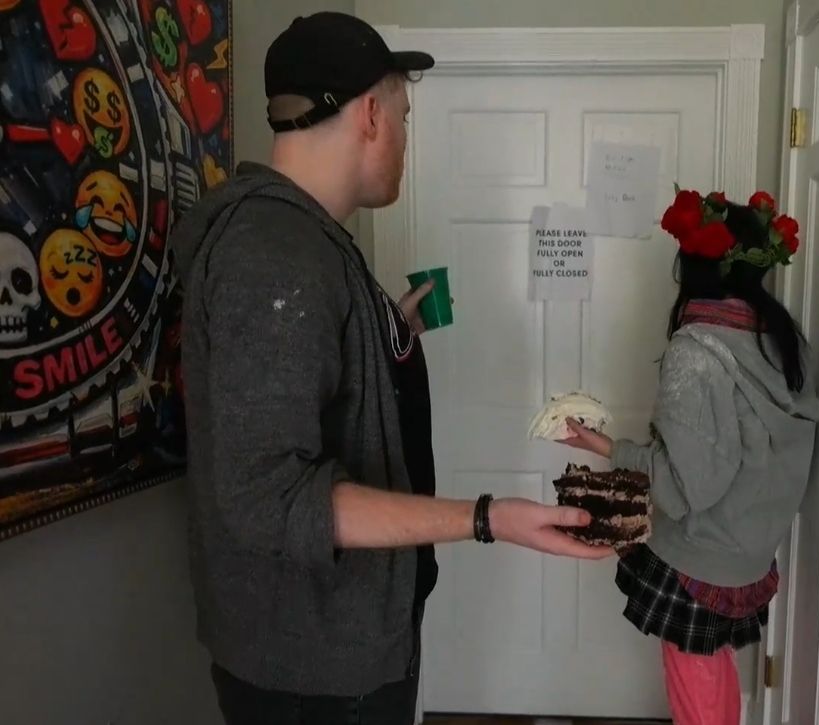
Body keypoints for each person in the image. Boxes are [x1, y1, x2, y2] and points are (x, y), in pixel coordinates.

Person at [171, 12, 610, 724]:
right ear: (371, 115)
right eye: (404, 117)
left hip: (341, 642)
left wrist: (387, 332)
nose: (405, 138)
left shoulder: (307, 241)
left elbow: (304, 375)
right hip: (315, 669)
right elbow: (269, 498)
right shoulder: (274, 255)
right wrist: (486, 517)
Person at [559, 187, 819, 725]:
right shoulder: (783, 340)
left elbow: (684, 490)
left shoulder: (697, 350)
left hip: (699, 557)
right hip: (749, 552)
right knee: (713, 670)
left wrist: (609, 450)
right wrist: (608, 446)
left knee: (694, 686)